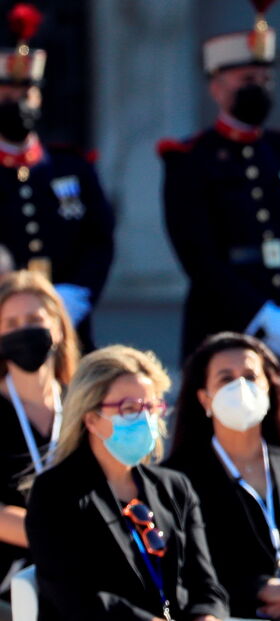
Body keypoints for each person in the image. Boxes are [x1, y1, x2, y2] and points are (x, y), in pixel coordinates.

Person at [158, 1, 280, 415]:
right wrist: (261, 314)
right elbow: (198, 256)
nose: (259, 87)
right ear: (216, 86)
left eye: (265, 78)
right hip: (223, 324)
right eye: (247, 78)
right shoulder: (190, 159)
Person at [25, 345, 228, 621]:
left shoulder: (176, 487)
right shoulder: (56, 492)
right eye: (129, 408)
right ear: (92, 418)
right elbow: (75, 596)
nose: (145, 418)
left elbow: (207, 586)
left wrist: (207, 616)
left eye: (151, 407)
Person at [165, 332, 280, 620]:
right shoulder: (174, 478)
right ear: (204, 398)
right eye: (226, 379)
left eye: (251, 376)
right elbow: (179, 565)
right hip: (232, 612)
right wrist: (258, 589)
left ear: (269, 388)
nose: (240, 386)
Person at [0, 3, 115, 350]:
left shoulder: (73, 167)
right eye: (8, 96)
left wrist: (78, 293)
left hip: (71, 325)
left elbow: (100, 239)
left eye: (27, 94)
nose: (20, 103)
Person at [0, 271, 78, 618]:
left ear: (58, 328)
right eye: (11, 322)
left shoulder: (86, 406)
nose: (24, 330)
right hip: (10, 576)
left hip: (83, 570)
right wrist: (60, 540)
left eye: (34, 319)